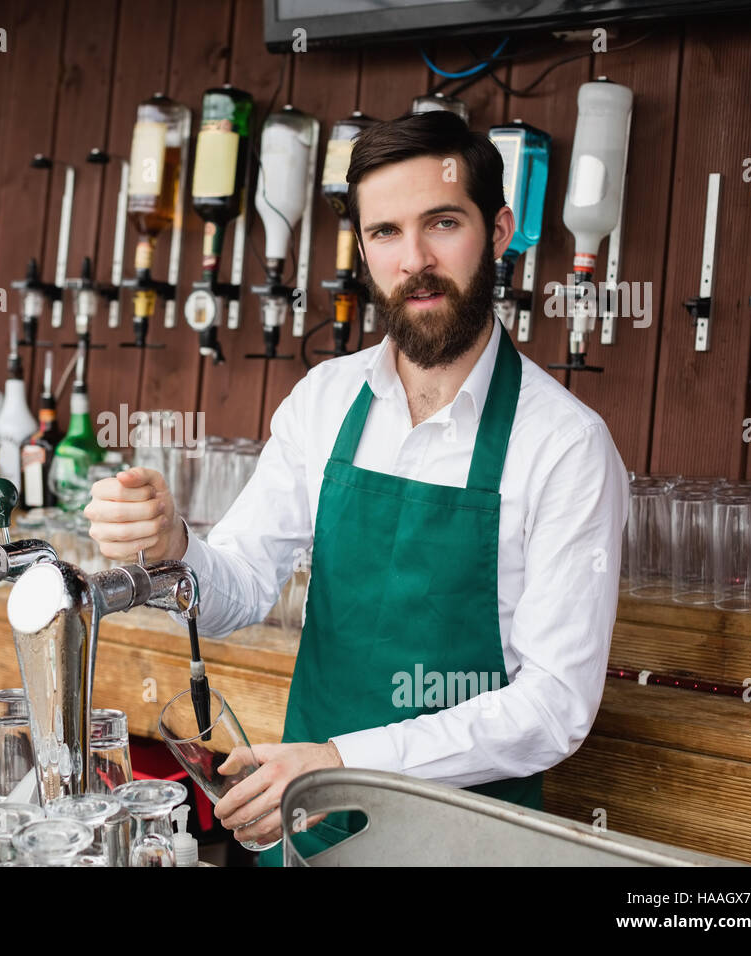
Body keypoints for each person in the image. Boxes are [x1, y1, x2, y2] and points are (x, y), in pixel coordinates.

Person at [84, 110, 628, 865]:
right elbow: (239, 585)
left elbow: (552, 709)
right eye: (385, 233)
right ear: (363, 246)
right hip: (307, 830)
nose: (415, 259)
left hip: (464, 845)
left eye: (442, 223)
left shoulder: (566, 446)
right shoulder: (325, 399)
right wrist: (173, 545)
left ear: (500, 232)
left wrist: (338, 763)